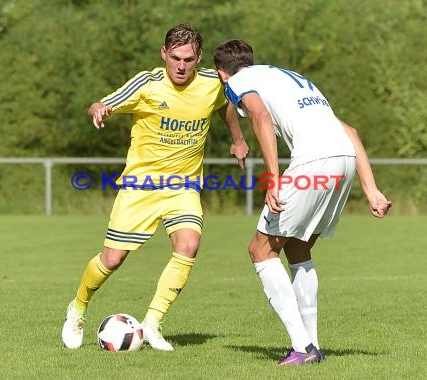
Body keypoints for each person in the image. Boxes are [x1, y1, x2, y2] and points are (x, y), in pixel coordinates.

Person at [61, 25, 249, 351]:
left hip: (184, 185)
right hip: (141, 186)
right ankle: (77, 308)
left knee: (188, 245)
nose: (180, 65)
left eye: (188, 59)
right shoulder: (147, 84)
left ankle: (152, 324)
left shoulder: (211, 83)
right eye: (174, 58)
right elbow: (100, 103)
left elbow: (225, 105)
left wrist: (237, 138)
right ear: (164, 54)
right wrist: (100, 110)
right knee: (112, 259)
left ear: (199, 58)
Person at [213, 39, 392, 365]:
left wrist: (273, 179)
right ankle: (313, 346)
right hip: (344, 161)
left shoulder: (237, 82)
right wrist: (371, 189)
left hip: (313, 163)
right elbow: (350, 130)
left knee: (261, 250)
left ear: (222, 74)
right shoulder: (287, 78)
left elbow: (261, 118)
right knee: (298, 248)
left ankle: (301, 347)